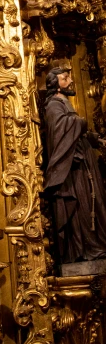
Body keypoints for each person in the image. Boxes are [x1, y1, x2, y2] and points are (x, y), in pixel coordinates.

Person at [44, 67, 106, 264]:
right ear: (56, 84)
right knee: (84, 208)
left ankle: (97, 247)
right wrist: (80, 123)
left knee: (96, 205)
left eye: (70, 76)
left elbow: (72, 128)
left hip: (83, 163)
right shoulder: (54, 105)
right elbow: (60, 129)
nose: (70, 81)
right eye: (65, 78)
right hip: (72, 168)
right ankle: (88, 250)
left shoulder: (63, 102)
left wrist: (91, 138)